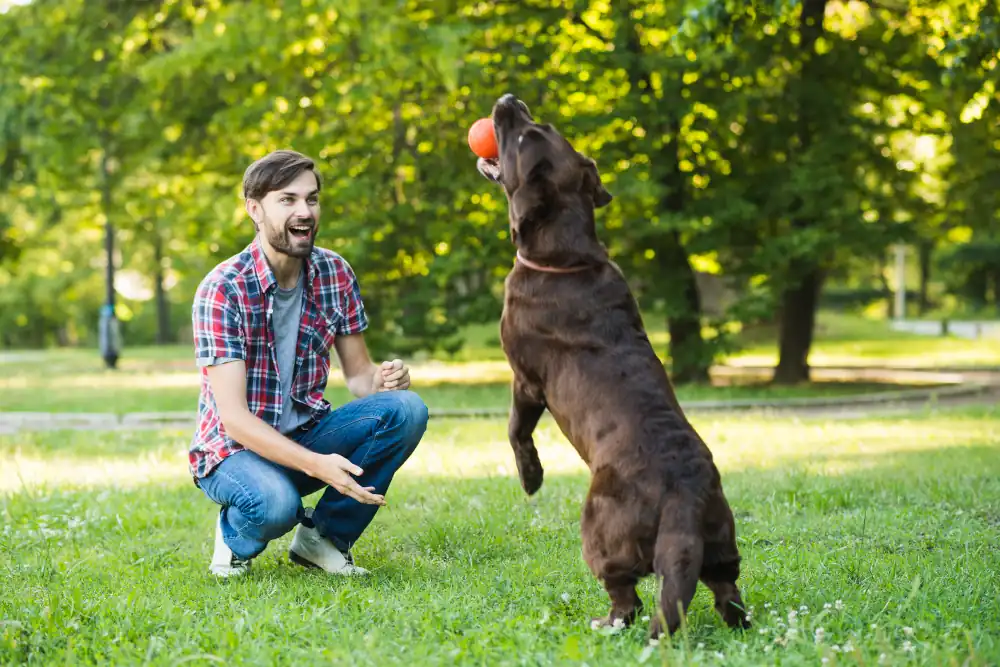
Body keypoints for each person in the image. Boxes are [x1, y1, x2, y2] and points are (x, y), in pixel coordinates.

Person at [189, 149, 428, 578]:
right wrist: (319, 466)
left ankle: (324, 539)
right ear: (255, 209)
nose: (305, 212)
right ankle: (233, 535)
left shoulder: (334, 272)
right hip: (234, 452)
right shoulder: (223, 289)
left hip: (306, 435)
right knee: (276, 505)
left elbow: (359, 376)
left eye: (312, 199)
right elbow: (235, 420)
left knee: (407, 409)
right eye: (288, 200)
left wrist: (385, 379)